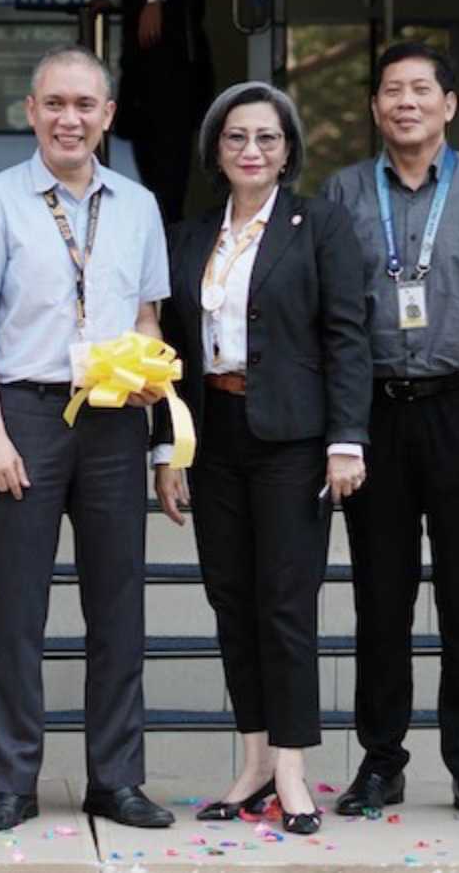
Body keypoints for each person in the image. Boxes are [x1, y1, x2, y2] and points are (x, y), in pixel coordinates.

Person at [0, 44, 174, 832]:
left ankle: (115, 779)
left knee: (120, 608)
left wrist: (160, 440)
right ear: (31, 112)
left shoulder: (139, 205)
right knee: (19, 609)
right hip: (28, 415)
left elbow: (148, 321)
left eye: (85, 105)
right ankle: (12, 782)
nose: (69, 118)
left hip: (115, 417)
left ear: (108, 115)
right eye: (55, 104)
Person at [151, 82, 370, 836]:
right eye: (237, 138)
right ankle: (250, 763)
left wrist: (347, 439)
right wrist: (167, 449)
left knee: (285, 604)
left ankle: (292, 769)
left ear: (288, 150)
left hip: (294, 439)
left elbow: (347, 334)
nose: (252, 151)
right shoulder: (188, 235)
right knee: (232, 602)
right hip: (213, 434)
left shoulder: (322, 225)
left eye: (267, 139)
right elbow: (168, 352)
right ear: (216, 149)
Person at [321, 41, 459, 822]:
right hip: (370, 412)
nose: (405, 102)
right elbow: (328, 317)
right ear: (375, 108)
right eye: (390, 90)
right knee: (381, 600)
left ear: (449, 104)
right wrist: (339, 424)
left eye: (421, 89)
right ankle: (381, 763)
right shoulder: (341, 193)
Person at [91, 0, 213, 223]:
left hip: (167, 51)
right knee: (148, 136)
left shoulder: (158, 1)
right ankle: (159, 221)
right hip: (148, 62)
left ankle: (166, 229)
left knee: (166, 142)